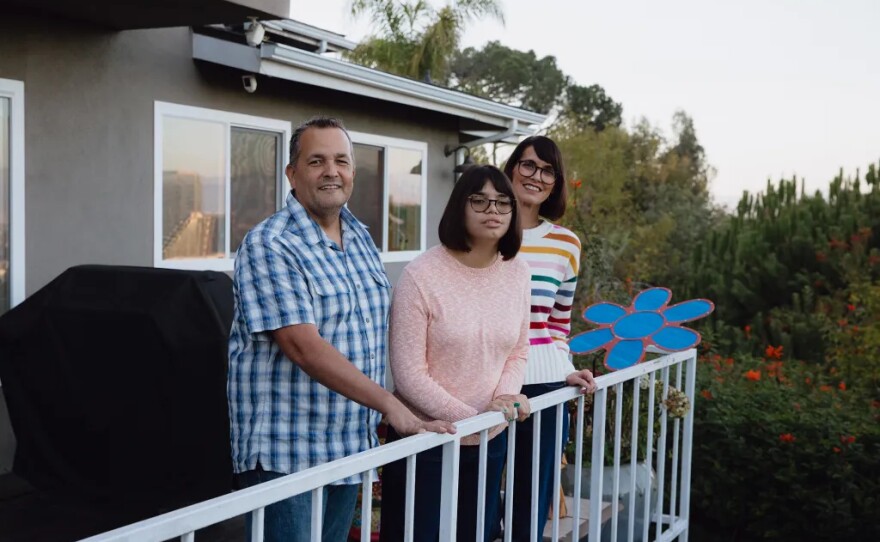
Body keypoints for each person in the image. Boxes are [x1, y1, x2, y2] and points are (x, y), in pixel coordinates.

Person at [227, 116, 454, 542]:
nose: (331, 170)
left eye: (341, 161)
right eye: (316, 161)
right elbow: (303, 347)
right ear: (292, 174)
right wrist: (390, 404)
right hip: (286, 453)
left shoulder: (361, 237)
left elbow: (377, 329)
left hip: (348, 445)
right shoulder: (270, 244)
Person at [379, 165, 532, 542]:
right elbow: (409, 373)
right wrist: (474, 421)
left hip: (489, 442)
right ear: (458, 208)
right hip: (426, 442)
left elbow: (518, 350)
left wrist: (504, 399)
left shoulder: (518, 272)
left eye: (502, 202)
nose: (492, 209)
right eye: (478, 200)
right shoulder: (422, 275)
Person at [502, 136, 597, 541]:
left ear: (556, 183)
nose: (536, 177)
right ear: (511, 168)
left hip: (545, 384)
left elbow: (558, 324)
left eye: (547, 171)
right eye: (528, 165)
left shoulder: (566, 243)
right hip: (486, 380)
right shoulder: (484, 228)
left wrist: (567, 370)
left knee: (531, 496)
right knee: (478, 492)